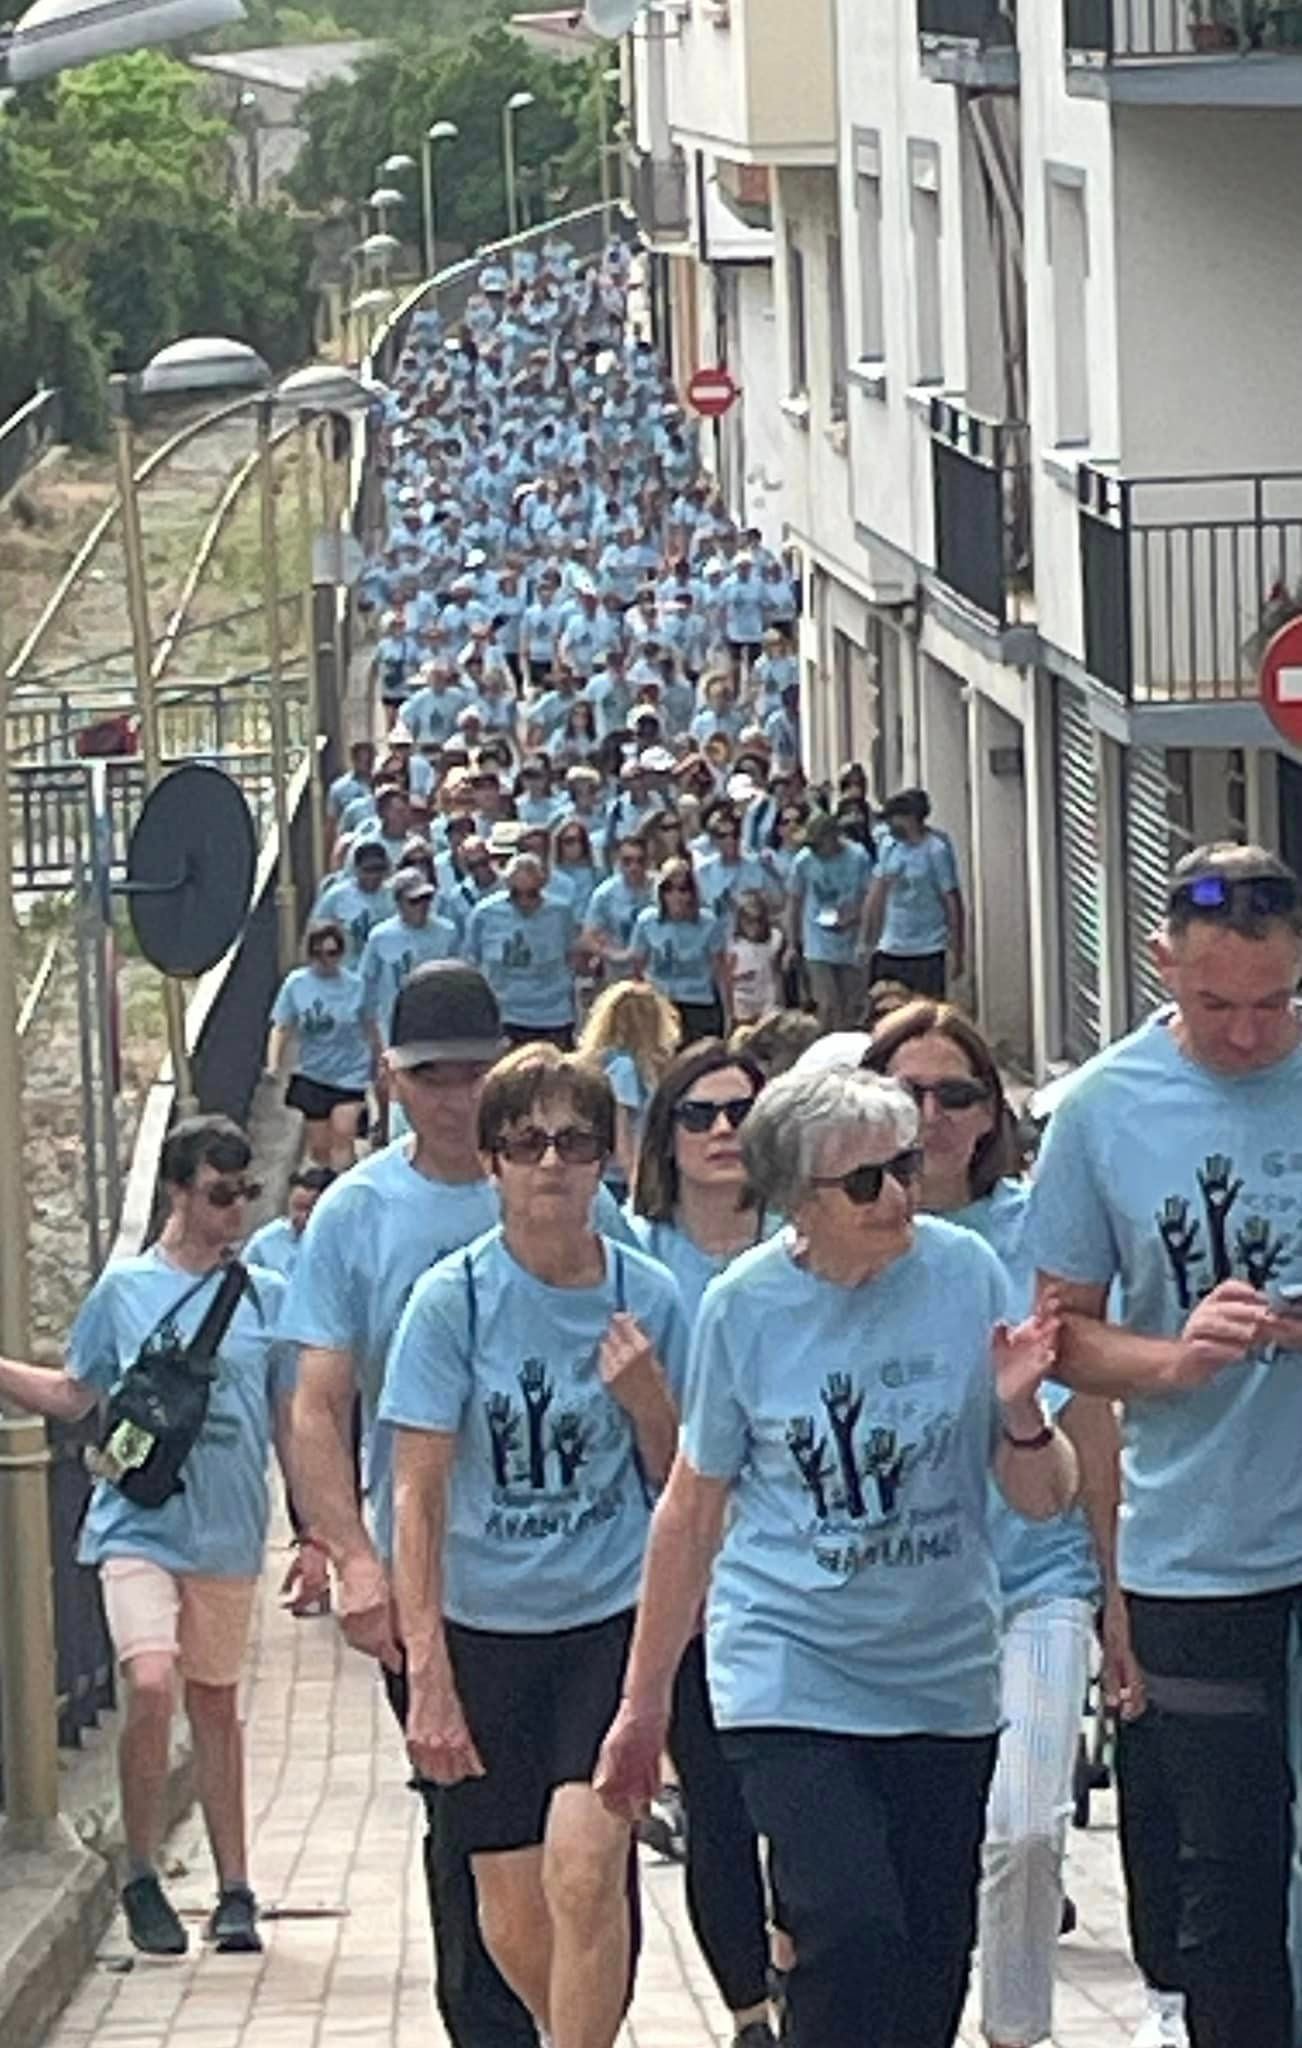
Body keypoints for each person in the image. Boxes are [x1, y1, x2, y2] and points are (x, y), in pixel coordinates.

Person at [595, 1063, 1077, 2048]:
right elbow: (691, 1508)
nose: (897, 1195)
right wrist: (643, 1706)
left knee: (929, 1968)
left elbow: (1042, 1496)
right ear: (795, 1202)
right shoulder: (744, 1306)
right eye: (864, 1182)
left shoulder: (965, 1273)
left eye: (903, 1168)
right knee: (850, 1928)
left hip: (942, 1674)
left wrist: (1023, 1411)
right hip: (791, 1668)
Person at [1028, 843, 1302, 2048]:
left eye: (1275, 1003)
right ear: (1161, 968)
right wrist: (1174, 1359)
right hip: (1199, 1545)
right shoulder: (1101, 1109)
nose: (1247, 1033)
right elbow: (1062, 1333)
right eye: (1216, 1004)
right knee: (1227, 1873)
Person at [379, 1046, 689, 2048]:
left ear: (607, 1158)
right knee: (511, 1908)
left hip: (606, 1616)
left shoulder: (650, 1298)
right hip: (486, 1627)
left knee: (585, 1867)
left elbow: (688, 1484)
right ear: (492, 1163)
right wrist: (427, 1670)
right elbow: (418, 1495)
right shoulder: (452, 1302)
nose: (551, 1162)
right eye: (526, 1142)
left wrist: (649, 1401)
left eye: (575, 1141)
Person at [864, 1002, 1119, 2048]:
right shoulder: (833, 1242)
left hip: (1036, 1579)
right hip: (890, 1602)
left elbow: (1091, 1415)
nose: (932, 1115)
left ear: (989, 1114)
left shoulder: (1043, 1234)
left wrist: (1119, 1597)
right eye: (909, 1093)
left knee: (1023, 1831)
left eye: (957, 1094)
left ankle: (1018, 2032)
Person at [0, 1117, 295, 1958]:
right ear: (177, 1192)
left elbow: (290, 1417)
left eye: (245, 1192)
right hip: (136, 1520)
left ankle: (234, 1887)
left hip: (227, 1528)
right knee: (153, 1680)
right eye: (219, 1194)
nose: (236, 1209)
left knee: (215, 1703)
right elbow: (75, 1392)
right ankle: (138, 1870)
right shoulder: (124, 1291)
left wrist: (316, 1536)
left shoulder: (266, 1295)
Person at [627, 1042, 781, 2047]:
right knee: (719, 1803)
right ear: (666, 1135)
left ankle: (802, 1967)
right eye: (700, 1113)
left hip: (795, 1569)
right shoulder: (635, 1258)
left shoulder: (809, 1242)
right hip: (682, 1572)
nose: (723, 1130)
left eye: (742, 1112)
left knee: (798, 1800)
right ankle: (749, 2010)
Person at [266, 918, 375, 1169]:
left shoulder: (356, 986)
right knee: (320, 1148)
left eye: (332, 953)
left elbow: (370, 1025)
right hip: (314, 1073)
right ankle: (326, 1181)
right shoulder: (296, 984)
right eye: (319, 954)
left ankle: (346, 1182)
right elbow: (281, 1026)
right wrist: (273, 1063)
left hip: (351, 1073)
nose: (326, 960)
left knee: (343, 1133)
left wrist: (379, 1060)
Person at [464, 852, 580, 1050]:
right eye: (516, 894)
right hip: (506, 1014)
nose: (524, 901)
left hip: (553, 1014)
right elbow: (471, 959)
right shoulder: (484, 913)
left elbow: (571, 957)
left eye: (531, 893)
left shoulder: (561, 912)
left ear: (542, 886)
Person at [578, 980, 681, 1200]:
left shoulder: (610, 1064)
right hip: (620, 1180)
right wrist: (636, 1185)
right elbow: (623, 1133)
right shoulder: (624, 1069)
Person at [864, 787, 964, 1000]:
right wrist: (867, 937)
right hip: (891, 945)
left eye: (895, 819)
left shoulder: (936, 850)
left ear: (911, 818)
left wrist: (957, 949)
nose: (890, 825)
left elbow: (951, 900)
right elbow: (876, 892)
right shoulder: (889, 846)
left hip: (928, 948)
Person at [787, 810, 873, 1030]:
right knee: (827, 1004)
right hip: (818, 942)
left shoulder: (858, 857)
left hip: (850, 940)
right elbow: (795, 901)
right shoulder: (804, 861)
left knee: (853, 1005)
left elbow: (868, 897)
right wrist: (792, 943)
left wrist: (858, 923)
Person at [359, 867, 460, 1047]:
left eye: (426, 898)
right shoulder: (381, 936)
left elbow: (458, 981)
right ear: (399, 903)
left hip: (438, 1026)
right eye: (414, 901)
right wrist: (372, 1036)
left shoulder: (447, 932)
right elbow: (367, 985)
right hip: (395, 1027)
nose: (422, 906)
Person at [632, 857, 730, 1043]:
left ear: (692, 893)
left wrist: (728, 1014)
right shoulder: (647, 921)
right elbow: (637, 968)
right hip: (660, 1003)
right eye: (668, 889)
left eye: (683, 889)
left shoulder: (708, 922)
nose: (676, 896)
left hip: (698, 1003)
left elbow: (721, 971)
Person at [243, 1166, 337, 1282]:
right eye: (297, 1207)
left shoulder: (341, 1246)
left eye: (309, 1209)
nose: (301, 1216)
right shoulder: (266, 1240)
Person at [583, 836, 654, 986]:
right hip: (618, 975)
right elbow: (589, 937)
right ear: (618, 862)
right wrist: (613, 955)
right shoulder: (604, 894)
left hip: (655, 972)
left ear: (648, 862)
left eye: (640, 861)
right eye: (627, 861)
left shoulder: (660, 888)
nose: (634, 867)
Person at [727, 891, 785, 1026]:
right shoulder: (732, 944)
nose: (755, 927)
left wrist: (780, 1001)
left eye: (759, 921)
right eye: (749, 921)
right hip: (742, 1001)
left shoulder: (774, 939)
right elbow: (726, 978)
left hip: (767, 1000)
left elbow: (777, 973)